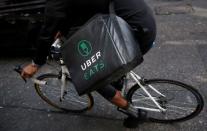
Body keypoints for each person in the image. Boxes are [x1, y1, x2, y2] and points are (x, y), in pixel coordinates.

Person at [21, 0, 156, 118]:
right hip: (142, 21)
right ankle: (117, 79)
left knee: (90, 72)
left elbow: (46, 33)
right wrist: (62, 29)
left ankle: (132, 111)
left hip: (134, 34)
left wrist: (35, 64)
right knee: (101, 59)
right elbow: (81, 8)